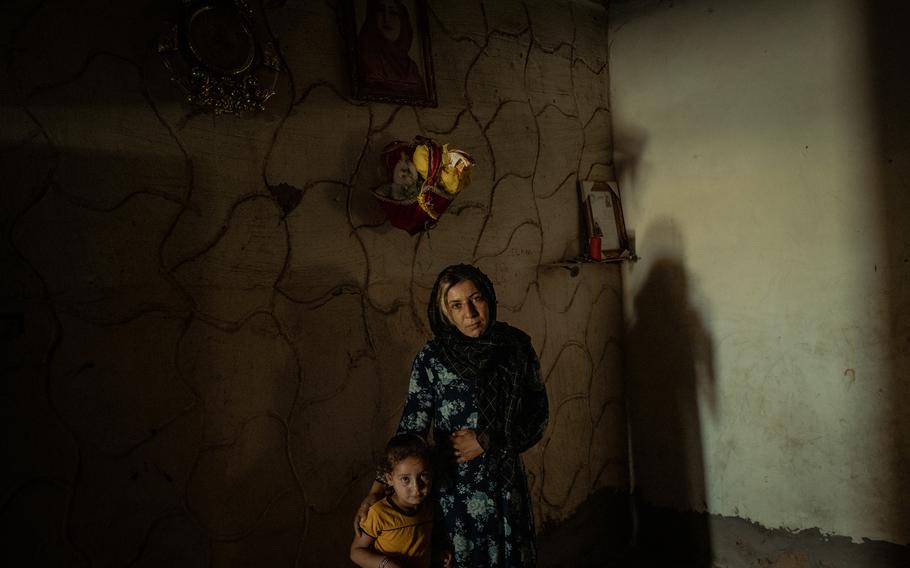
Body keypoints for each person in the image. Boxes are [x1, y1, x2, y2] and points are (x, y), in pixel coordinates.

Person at [354, 264, 549, 567]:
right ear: (444, 311)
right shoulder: (432, 359)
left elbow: (537, 416)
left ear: (489, 298)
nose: (469, 313)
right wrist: (376, 490)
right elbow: (411, 428)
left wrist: (486, 440)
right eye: (456, 305)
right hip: (454, 491)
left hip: (504, 484)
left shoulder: (516, 348)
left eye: (476, 299)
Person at [351, 433, 451, 568]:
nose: (416, 488)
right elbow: (356, 552)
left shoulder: (428, 508)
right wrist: (385, 564)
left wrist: (437, 556)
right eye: (405, 479)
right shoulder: (379, 513)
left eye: (423, 476)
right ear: (389, 479)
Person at [357, 0, 426, 98]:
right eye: (380, 11)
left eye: (393, 12)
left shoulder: (410, 68)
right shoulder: (365, 59)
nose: (387, 19)